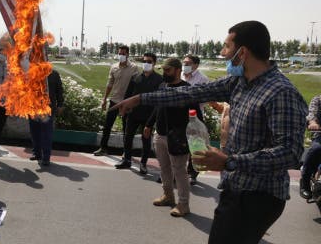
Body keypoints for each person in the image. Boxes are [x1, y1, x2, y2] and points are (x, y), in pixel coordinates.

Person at [111, 21, 307, 243]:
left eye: (226, 47)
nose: (223, 54)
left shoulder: (281, 93)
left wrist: (230, 162)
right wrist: (141, 99)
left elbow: (290, 152)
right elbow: (189, 93)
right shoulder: (239, 82)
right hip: (235, 187)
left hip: (259, 196)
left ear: (242, 52)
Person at [145, 58, 201, 217]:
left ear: (178, 70)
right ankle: (168, 196)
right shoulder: (163, 86)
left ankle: (183, 204)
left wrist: (196, 140)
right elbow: (157, 107)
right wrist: (149, 125)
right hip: (160, 134)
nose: (165, 73)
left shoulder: (187, 90)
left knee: (180, 171)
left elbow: (196, 116)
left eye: (168, 70)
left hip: (178, 137)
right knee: (164, 169)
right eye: (163, 70)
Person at [115, 52, 162, 174]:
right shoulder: (135, 78)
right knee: (128, 137)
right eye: (144, 61)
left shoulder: (159, 80)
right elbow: (128, 96)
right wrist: (123, 109)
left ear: (154, 63)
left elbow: (159, 100)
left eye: (149, 61)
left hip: (148, 115)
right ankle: (127, 160)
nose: (146, 63)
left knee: (146, 140)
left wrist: (153, 119)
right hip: (133, 114)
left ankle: (143, 163)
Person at [94, 45, 139, 156]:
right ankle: (103, 148)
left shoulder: (134, 68)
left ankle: (126, 151)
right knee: (107, 125)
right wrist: (104, 99)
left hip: (127, 102)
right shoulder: (114, 67)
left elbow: (136, 86)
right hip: (114, 100)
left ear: (128, 54)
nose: (121, 56)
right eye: (120, 53)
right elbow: (109, 84)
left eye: (123, 54)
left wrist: (133, 102)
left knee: (127, 128)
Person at [181, 54, 211, 184]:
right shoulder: (180, 76)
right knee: (181, 144)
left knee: (195, 146)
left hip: (195, 117)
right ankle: (180, 172)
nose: (185, 65)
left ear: (196, 65)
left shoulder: (202, 79)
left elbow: (205, 100)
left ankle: (193, 173)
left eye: (188, 63)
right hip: (180, 116)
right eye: (184, 63)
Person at [28, 69, 64, 166]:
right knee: (34, 132)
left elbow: (59, 90)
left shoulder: (54, 74)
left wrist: (60, 104)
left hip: (47, 108)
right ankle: (37, 153)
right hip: (33, 107)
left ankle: (46, 157)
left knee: (46, 134)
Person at [301, 94, 321, 200]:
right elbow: (311, 113)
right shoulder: (318, 99)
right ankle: (305, 183)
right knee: (316, 149)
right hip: (319, 134)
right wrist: (313, 122)